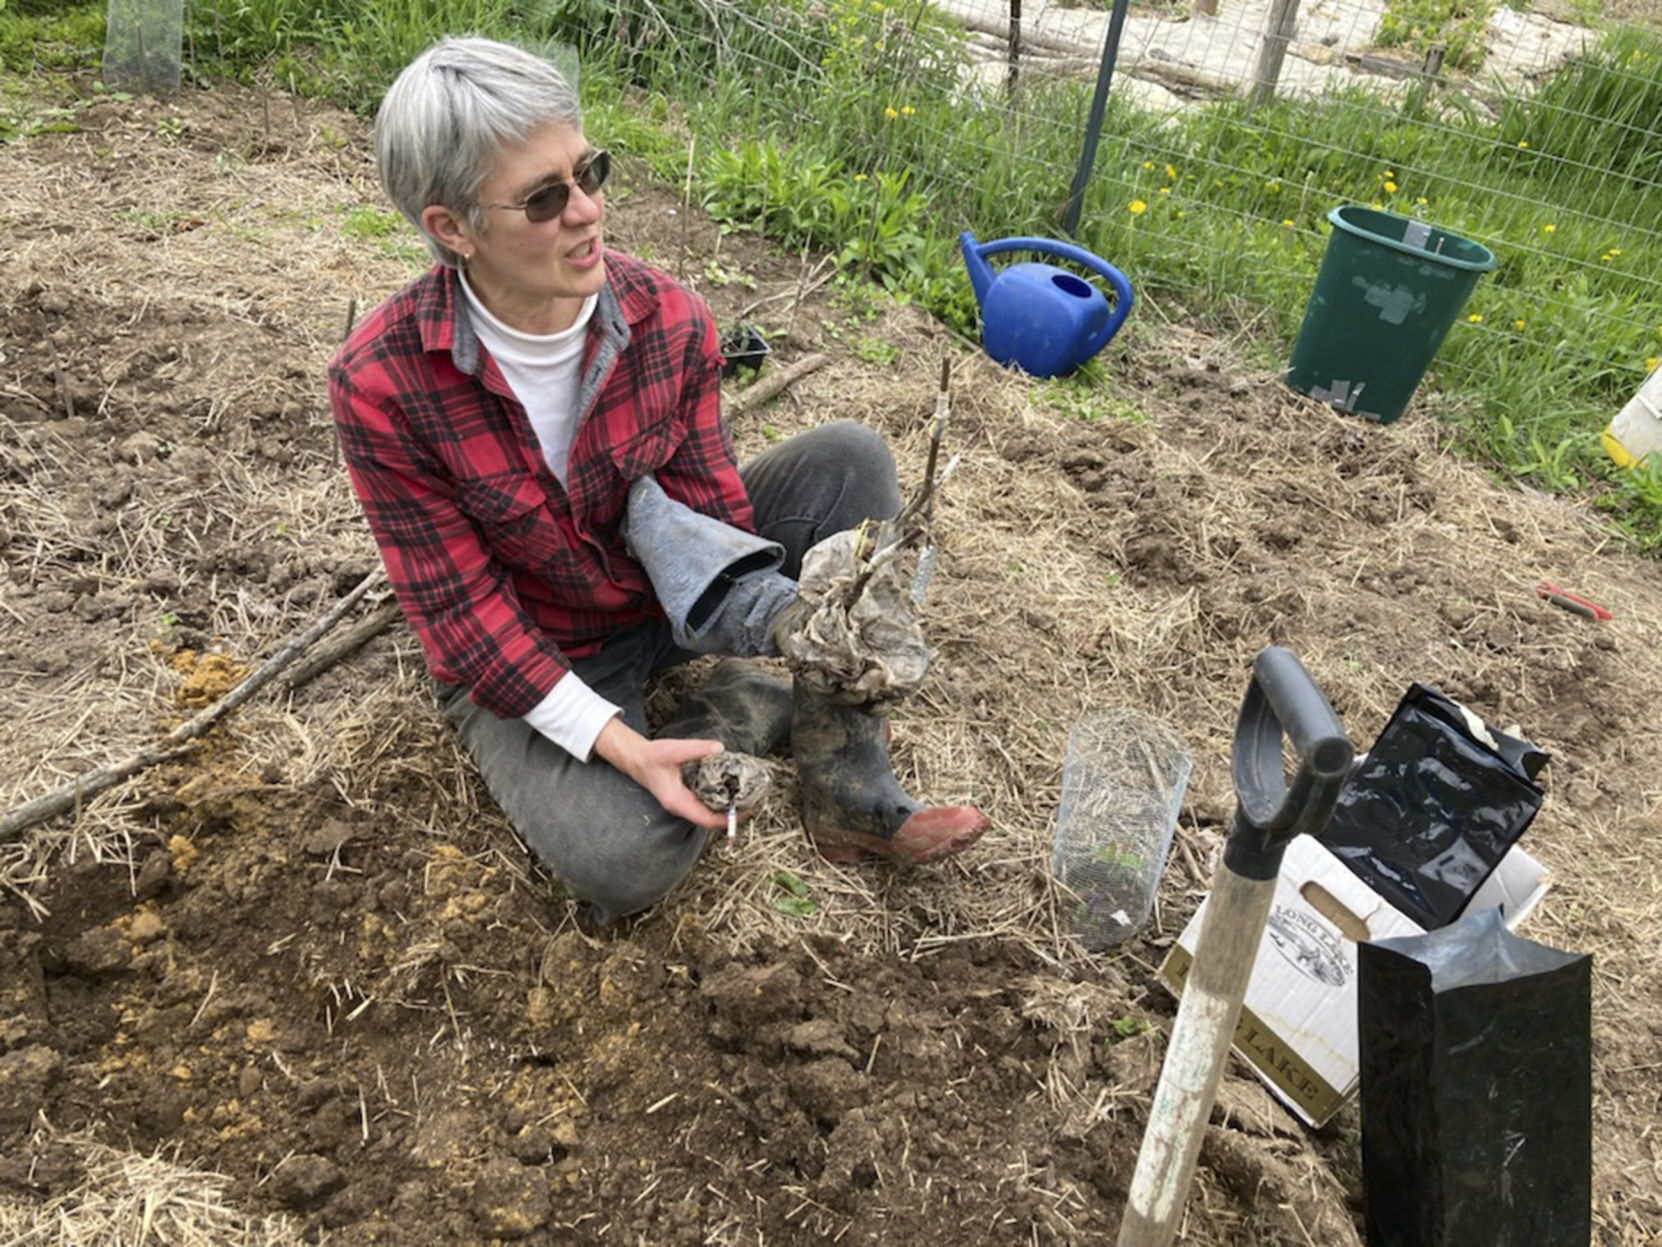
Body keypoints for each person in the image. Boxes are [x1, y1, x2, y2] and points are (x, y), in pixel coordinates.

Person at [328, 36, 987, 924]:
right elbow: (466, 622)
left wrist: (797, 621)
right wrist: (621, 746)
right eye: (545, 198)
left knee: (851, 461)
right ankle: (749, 710)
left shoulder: (667, 317)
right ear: (452, 228)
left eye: (589, 172)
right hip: (546, 647)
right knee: (625, 858)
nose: (589, 211)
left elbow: (709, 515)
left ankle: (848, 779)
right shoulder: (384, 383)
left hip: (658, 598)